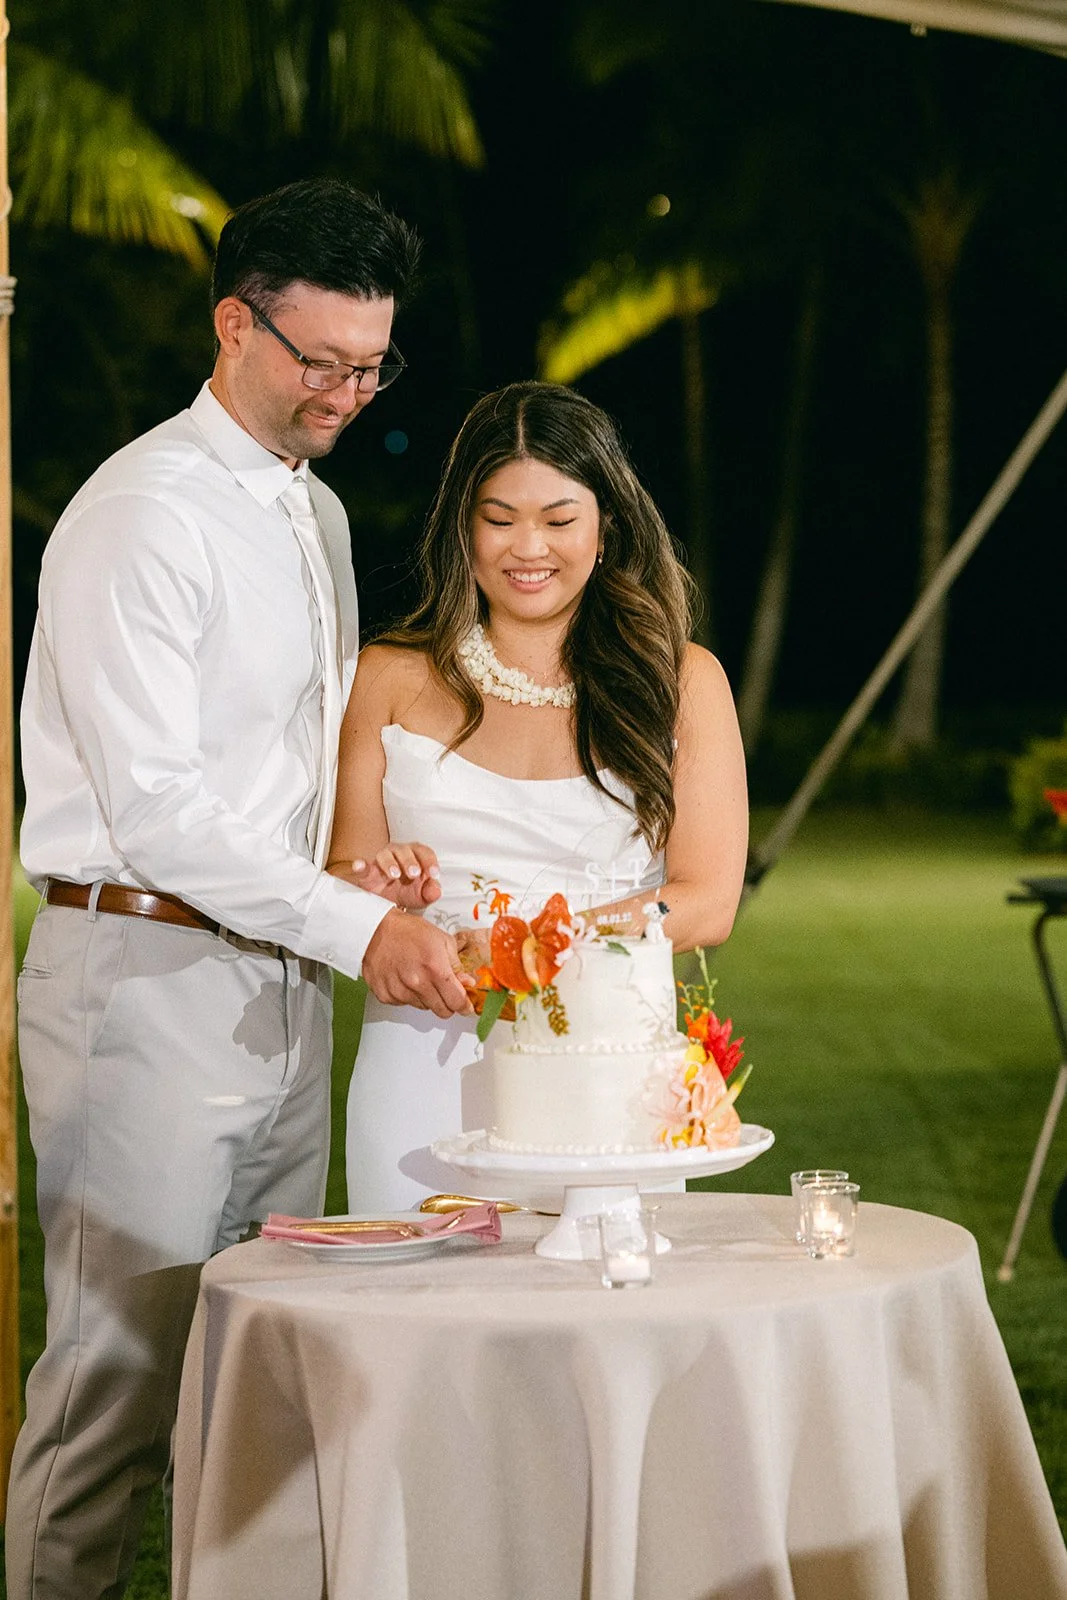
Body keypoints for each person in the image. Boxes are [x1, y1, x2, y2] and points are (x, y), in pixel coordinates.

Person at [7, 177, 473, 1600]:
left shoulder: (314, 518)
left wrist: (351, 865)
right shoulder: (143, 511)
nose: (347, 390)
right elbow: (155, 810)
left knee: (253, 1380)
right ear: (233, 323)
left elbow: (268, 784)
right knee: (110, 1397)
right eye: (321, 360)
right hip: (140, 986)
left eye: (370, 364)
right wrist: (360, 924)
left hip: (276, 989)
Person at [329, 381, 749, 1211]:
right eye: (499, 517)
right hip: (422, 1056)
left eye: (559, 520)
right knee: (421, 1319)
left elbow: (706, 901)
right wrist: (383, 898)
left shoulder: (681, 681)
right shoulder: (387, 676)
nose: (529, 547)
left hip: (607, 1074)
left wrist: (523, 949)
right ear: (463, 526)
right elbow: (340, 877)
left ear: (604, 529)